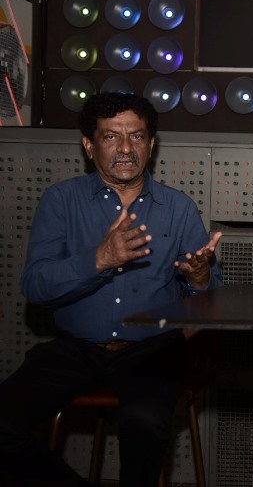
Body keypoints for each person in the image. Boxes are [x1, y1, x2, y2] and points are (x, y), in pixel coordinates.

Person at [0, 92, 223, 486]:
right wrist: (98, 260)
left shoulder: (178, 208)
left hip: (152, 349)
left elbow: (210, 304)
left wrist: (199, 277)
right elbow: (35, 287)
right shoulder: (61, 201)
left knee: (145, 423)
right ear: (89, 145)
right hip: (76, 347)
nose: (125, 148)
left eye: (136, 136)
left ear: (151, 144)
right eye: (110, 137)